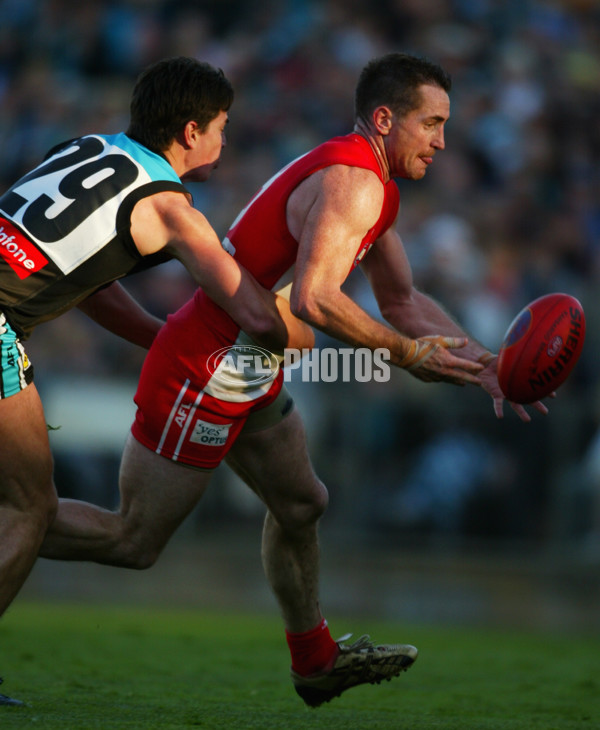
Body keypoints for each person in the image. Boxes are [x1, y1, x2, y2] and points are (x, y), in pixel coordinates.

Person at [39, 53, 549, 708]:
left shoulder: (374, 183)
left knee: (304, 503)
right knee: (134, 539)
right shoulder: (355, 184)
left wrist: (491, 367)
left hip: (248, 360)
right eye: (432, 123)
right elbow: (315, 300)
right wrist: (404, 355)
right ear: (386, 118)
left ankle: (314, 663)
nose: (442, 141)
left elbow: (401, 301)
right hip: (208, 364)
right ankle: (16, 529)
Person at [0, 56, 311, 706]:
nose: (226, 141)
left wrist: (156, 339)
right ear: (192, 130)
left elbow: (84, 280)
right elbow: (254, 314)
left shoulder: (85, 147)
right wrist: (306, 326)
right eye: (224, 126)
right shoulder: (169, 205)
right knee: (29, 507)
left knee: (25, 505)